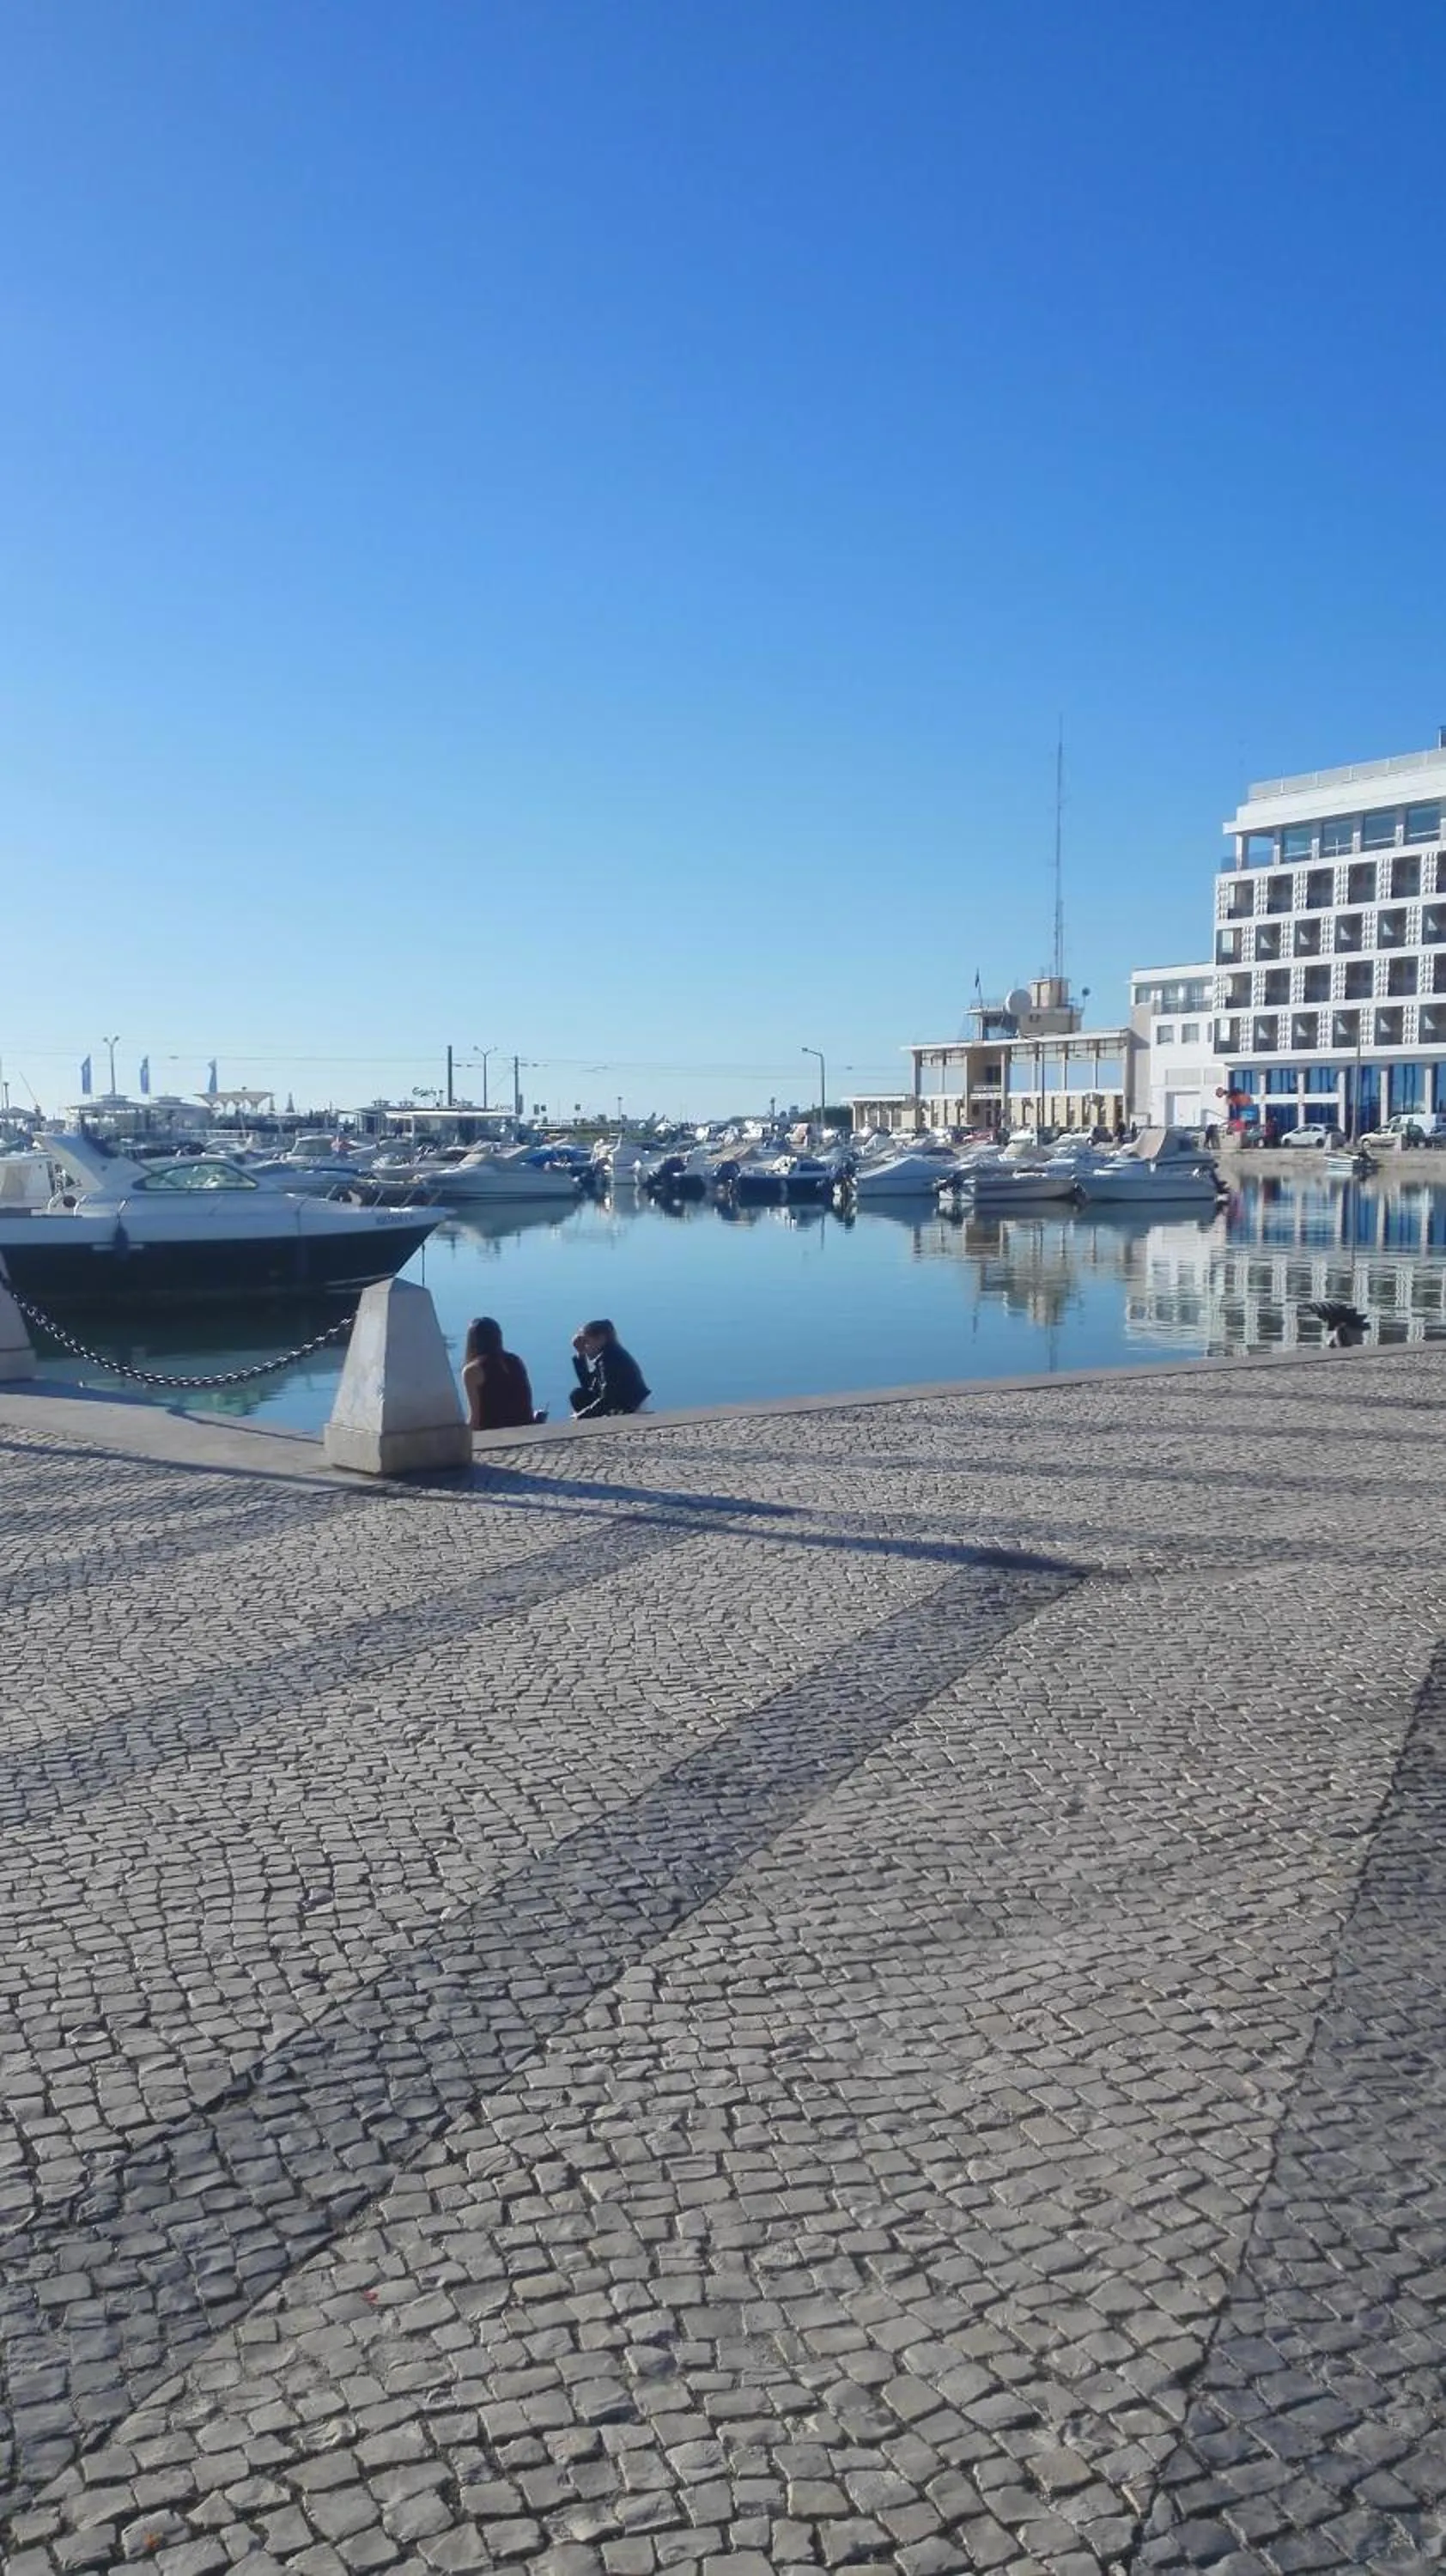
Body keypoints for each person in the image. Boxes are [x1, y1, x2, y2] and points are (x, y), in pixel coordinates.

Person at [461, 1316, 536, 1432]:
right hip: (526, 1426)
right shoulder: (516, 1361)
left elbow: (475, 1419)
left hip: (494, 1432)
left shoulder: (472, 1371)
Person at [569, 1318, 649, 1418]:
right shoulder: (608, 1354)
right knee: (579, 1395)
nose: (585, 1347)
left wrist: (581, 1416)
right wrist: (580, 1354)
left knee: (583, 1402)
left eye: (586, 1342)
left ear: (601, 1339)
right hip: (622, 1402)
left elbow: (608, 1398)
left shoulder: (611, 1359)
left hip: (631, 1407)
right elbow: (588, 1385)